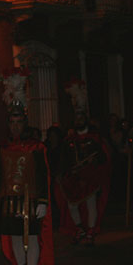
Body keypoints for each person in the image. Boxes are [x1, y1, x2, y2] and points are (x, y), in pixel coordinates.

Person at [0, 67, 54, 265]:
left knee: (31, 238)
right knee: (13, 239)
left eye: (19, 122)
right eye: (11, 122)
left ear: (24, 122)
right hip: (9, 201)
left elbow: (42, 175)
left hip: (30, 200)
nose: (15, 126)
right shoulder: (1, 148)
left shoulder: (36, 147)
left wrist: (42, 200)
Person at [56, 80, 111, 245]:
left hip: (90, 176)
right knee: (72, 204)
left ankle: (91, 231)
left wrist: (96, 160)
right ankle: (79, 228)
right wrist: (63, 172)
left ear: (85, 119)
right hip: (74, 176)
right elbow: (64, 158)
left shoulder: (94, 138)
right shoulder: (69, 140)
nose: (78, 120)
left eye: (81, 117)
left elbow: (102, 157)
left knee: (90, 202)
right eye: (76, 117)